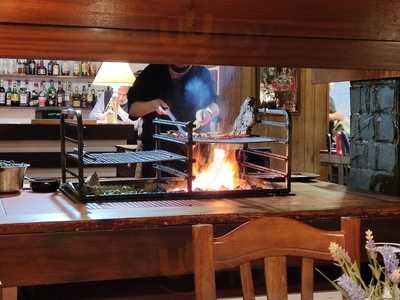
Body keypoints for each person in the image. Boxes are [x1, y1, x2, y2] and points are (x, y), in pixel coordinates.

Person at [128, 64, 219, 176]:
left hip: (193, 155)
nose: (178, 74)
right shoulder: (152, 71)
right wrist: (153, 105)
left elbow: (215, 105)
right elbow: (132, 110)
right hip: (156, 154)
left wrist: (208, 112)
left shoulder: (201, 72)